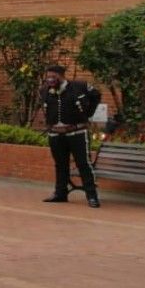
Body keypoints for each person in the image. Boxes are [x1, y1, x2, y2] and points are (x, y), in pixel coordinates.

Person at [41, 64, 102, 207]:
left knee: (83, 163)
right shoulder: (44, 90)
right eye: (48, 77)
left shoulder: (79, 87)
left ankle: (91, 196)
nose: (50, 80)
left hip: (77, 132)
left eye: (53, 77)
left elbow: (96, 95)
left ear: (61, 76)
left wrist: (87, 113)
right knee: (60, 164)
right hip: (56, 133)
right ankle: (60, 193)